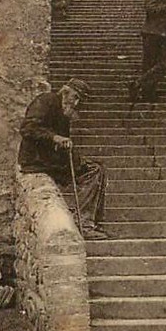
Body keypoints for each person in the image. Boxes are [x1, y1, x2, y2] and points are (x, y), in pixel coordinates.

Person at [18, 78, 109, 240]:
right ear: (65, 92)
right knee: (94, 171)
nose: (76, 103)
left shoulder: (64, 112)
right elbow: (27, 128)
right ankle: (84, 223)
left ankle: (87, 221)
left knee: (96, 169)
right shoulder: (46, 101)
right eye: (75, 98)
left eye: (79, 100)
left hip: (50, 160)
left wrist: (75, 159)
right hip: (36, 160)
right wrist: (54, 137)